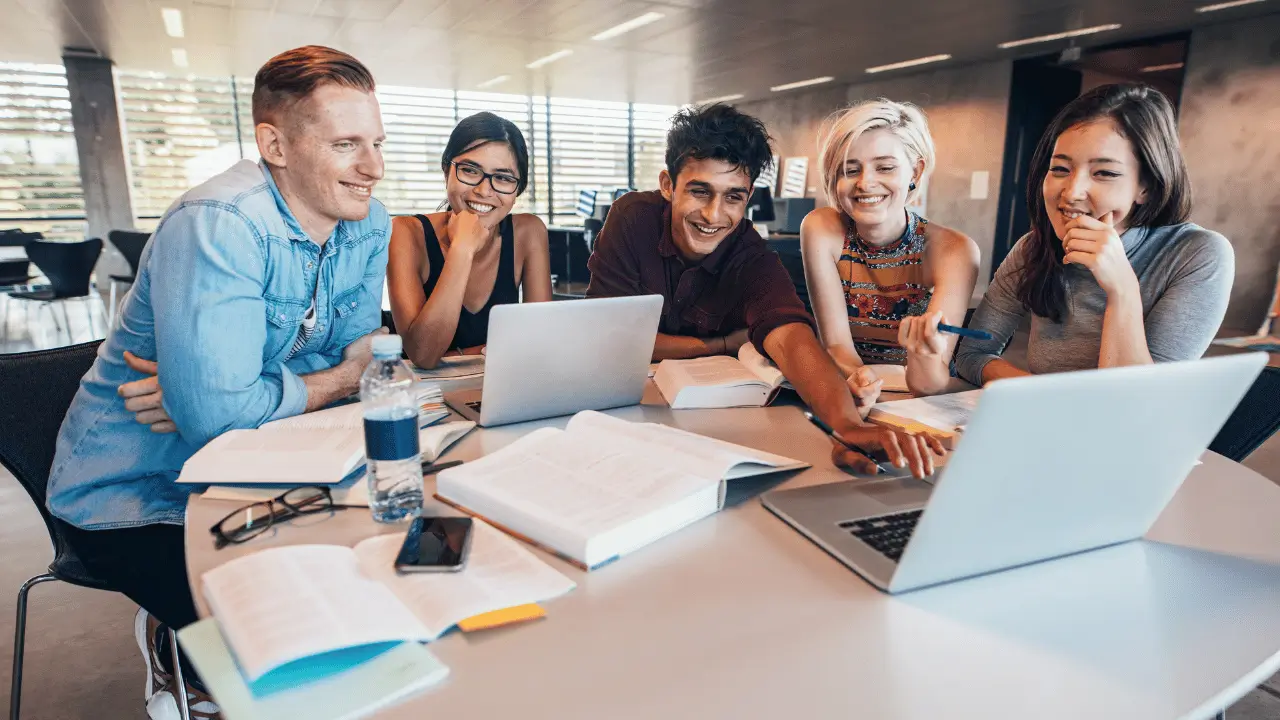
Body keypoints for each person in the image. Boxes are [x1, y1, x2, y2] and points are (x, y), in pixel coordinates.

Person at [44, 45, 390, 717]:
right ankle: (184, 655)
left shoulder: (366, 221)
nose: (372, 167)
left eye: (376, 142)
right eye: (347, 143)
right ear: (275, 144)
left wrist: (230, 394)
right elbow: (234, 414)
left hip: (266, 469)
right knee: (303, 653)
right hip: (135, 494)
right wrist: (327, 379)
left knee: (374, 577)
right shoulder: (220, 223)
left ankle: (195, 643)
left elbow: (366, 352)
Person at [586, 103, 944, 478]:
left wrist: (847, 426)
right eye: (699, 191)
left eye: (733, 197)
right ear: (667, 185)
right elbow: (609, 335)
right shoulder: (631, 218)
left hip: (704, 423)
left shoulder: (750, 255)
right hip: (621, 412)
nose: (713, 214)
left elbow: (791, 337)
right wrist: (718, 345)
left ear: (748, 197)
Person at [954, 83, 1234, 385]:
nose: (1072, 192)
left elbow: (1138, 401)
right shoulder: (1033, 248)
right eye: (1060, 169)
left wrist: (1121, 288)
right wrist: (1037, 396)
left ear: (1146, 186)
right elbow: (972, 354)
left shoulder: (1197, 253)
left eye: (1104, 173)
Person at [801, 99, 980, 405]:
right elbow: (836, 346)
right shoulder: (822, 229)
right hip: (857, 393)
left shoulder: (954, 250)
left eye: (885, 167)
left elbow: (930, 382)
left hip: (926, 402)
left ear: (915, 172)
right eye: (850, 169)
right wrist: (861, 381)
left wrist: (921, 357)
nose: (866, 183)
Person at [386, 112, 551, 368]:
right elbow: (424, 355)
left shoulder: (528, 232)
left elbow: (540, 343)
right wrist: (462, 248)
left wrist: (456, 356)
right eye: (470, 170)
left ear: (517, 189)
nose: (484, 191)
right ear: (446, 171)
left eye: (504, 178)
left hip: (503, 387)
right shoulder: (405, 233)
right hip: (429, 397)